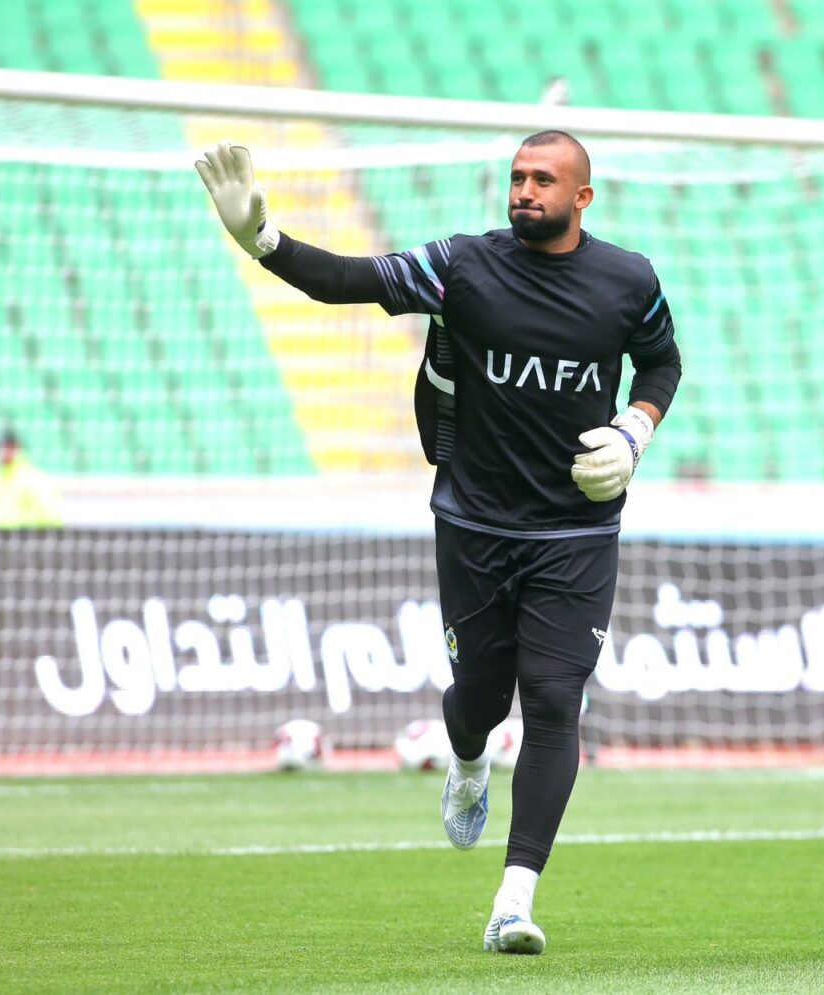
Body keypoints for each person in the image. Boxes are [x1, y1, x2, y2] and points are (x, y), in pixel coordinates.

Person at [195, 131, 681, 954]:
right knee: (482, 700)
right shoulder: (462, 266)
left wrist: (635, 430)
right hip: (475, 523)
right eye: (517, 176)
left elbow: (662, 363)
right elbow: (346, 280)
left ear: (582, 197)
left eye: (543, 179)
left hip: (577, 528)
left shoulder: (629, 280)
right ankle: (466, 761)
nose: (524, 189)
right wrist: (262, 239)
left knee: (554, 698)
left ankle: (513, 901)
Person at [0, 428, 65, 530]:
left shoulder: (32, 478)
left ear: (18, 448)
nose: (4, 452)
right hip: (4, 536)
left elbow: (53, 516)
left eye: (9, 447)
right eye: (0, 447)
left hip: (31, 536)